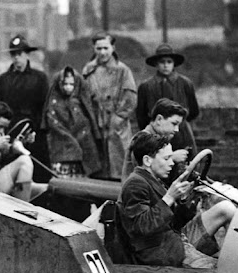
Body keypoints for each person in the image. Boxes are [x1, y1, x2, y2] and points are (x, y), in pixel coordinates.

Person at [119, 131, 236, 269]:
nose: (172, 163)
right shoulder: (135, 184)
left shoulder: (153, 180)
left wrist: (185, 200)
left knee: (225, 208)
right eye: (166, 158)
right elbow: (142, 227)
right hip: (161, 253)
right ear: (147, 160)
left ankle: (236, 258)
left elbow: (174, 222)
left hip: (173, 241)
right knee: (220, 271)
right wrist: (169, 198)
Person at [83, 32, 137, 180]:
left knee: (120, 168)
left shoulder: (122, 70)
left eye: (106, 48)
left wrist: (117, 119)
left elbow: (130, 98)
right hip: (96, 127)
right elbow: (84, 98)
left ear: (113, 47)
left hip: (117, 128)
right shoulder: (88, 71)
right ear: (94, 48)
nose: (102, 52)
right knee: (99, 171)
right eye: (98, 48)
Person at [0, 34, 50, 182]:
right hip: (11, 133)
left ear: (27, 54)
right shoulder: (4, 79)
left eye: (19, 54)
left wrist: (36, 131)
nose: (16, 58)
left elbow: (45, 108)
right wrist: (2, 133)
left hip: (34, 133)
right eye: (13, 54)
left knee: (37, 175)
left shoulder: (39, 78)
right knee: (10, 175)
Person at [136, 43, 199, 161]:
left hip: (182, 134)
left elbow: (194, 111)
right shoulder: (146, 86)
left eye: (169, 62)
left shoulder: (185, 83)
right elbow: (141, 116)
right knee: (159, 164)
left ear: (174, 63)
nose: (165, 65)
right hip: (157, 135)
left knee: (187, 165)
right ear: (156, 64)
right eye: (162, 62)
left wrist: (178, 123)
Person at [41, 65, 103, 178]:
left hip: (82, 153)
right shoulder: (53, 105)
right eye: (65, 84)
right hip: (61, 151)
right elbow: (54, 125)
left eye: (71, 84)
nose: (68, 87)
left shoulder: (80, 103)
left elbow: (85, 124)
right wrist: (71, 141)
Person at [122, 98, 189, 181]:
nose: (177, 129)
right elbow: (143, 168)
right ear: (159, 119)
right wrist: (172, 157)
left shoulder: (158, 139)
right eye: (174, 124)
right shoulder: (141, 139)